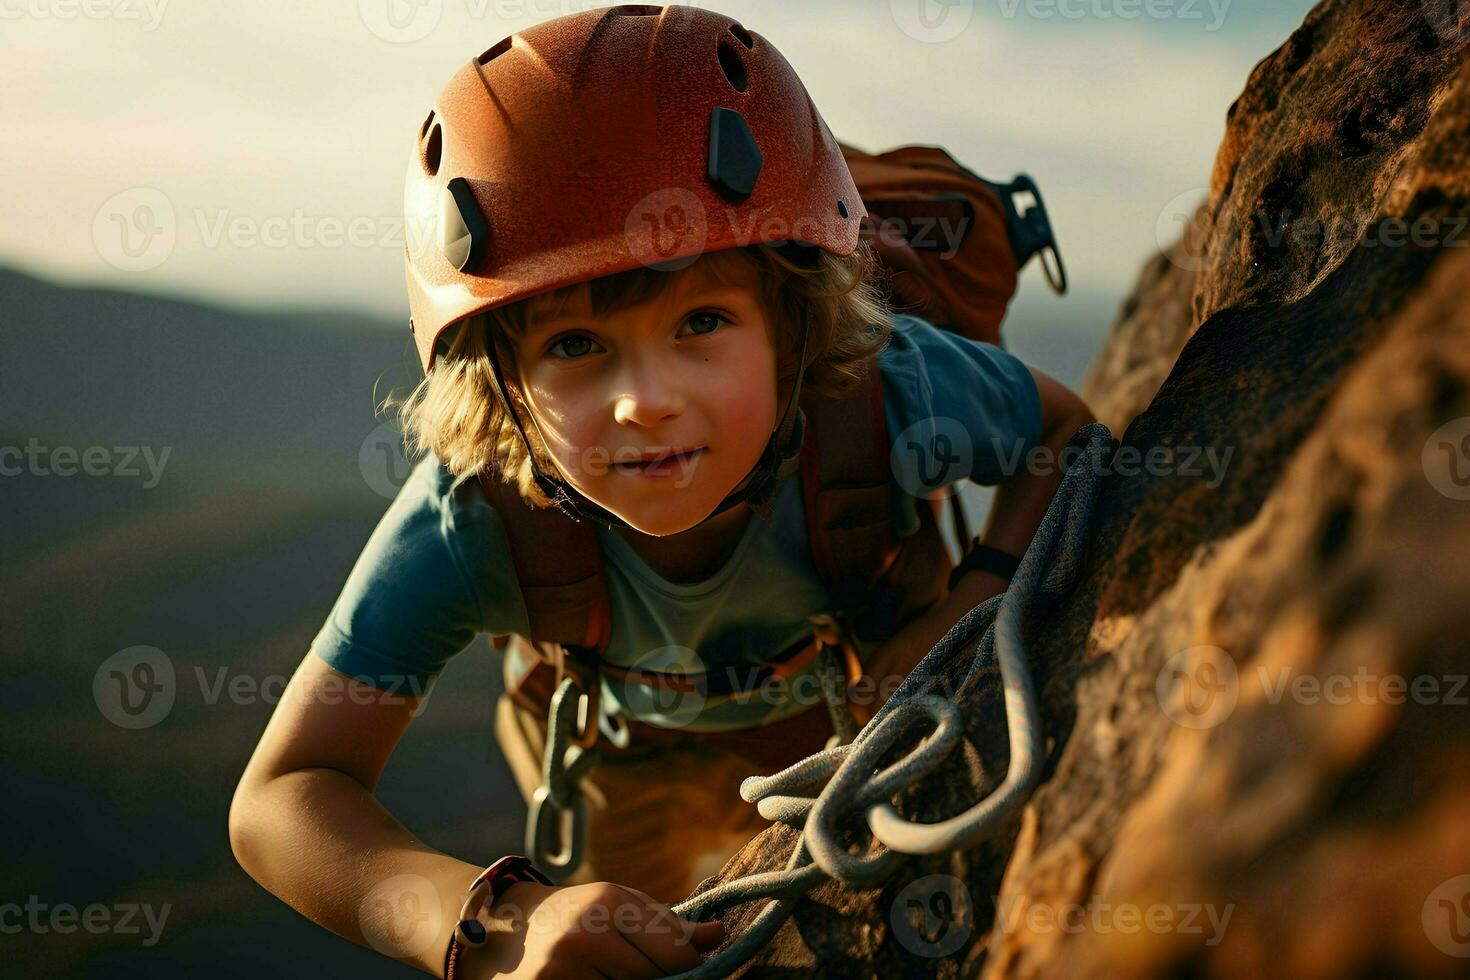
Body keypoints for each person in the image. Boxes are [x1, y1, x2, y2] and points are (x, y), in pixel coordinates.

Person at [229, 6, 1095, 978]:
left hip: (845, 702)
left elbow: (1066, 434)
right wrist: (506, 927)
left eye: (703, 321)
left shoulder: (882, 394)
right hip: (619, 752)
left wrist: (977, 595)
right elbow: (283, 797)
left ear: (795, 325)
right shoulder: (475, 511)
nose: (644, 402)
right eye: (575, 344)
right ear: (500, 380)